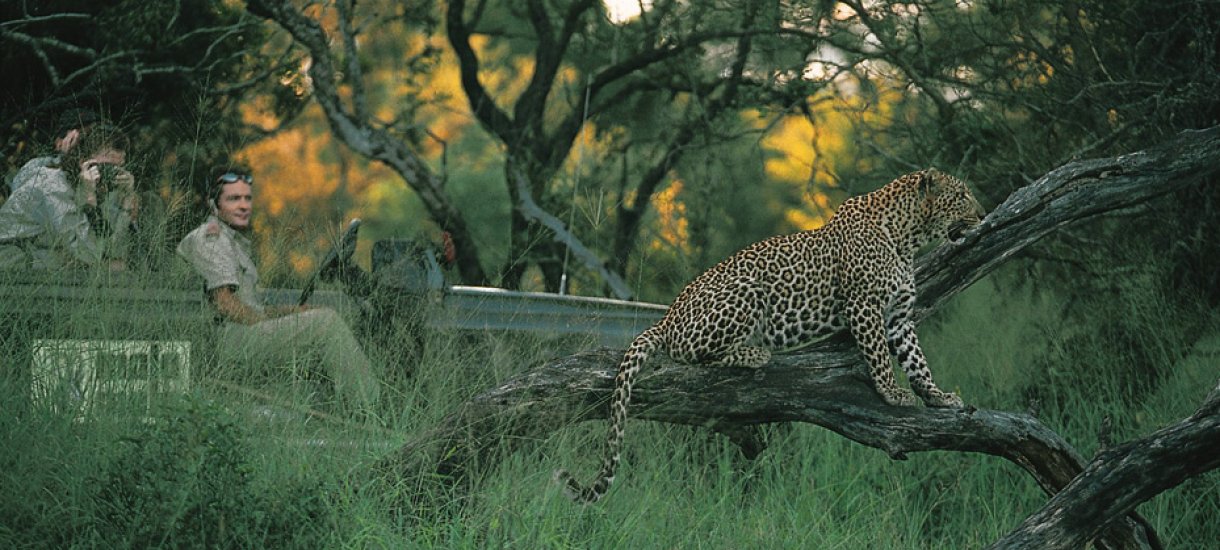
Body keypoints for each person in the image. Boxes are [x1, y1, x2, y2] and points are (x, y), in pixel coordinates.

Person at [176, 166, 380, 416]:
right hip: (231, 341)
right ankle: (370, 409)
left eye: (247, 198)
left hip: (241, 332)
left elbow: (248, 307)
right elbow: (225, 304)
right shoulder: (212, 239)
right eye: (233, 199)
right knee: (326, 324)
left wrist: (294, 312)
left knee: (322, 315)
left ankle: (334, 412)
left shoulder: (231, 241)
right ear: (214, 205)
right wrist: (268, 320)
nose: (243, 206)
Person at [0, 124, 139, 270]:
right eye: (105, 167)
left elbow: (114, 250)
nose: (110, 175)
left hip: (45, 251)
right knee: (101, 267)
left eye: (117, 168)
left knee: (115, 267)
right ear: (83, 162)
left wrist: (127, 200)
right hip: (13, 256)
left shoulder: (98, 187)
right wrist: (89, 201)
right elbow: (90, 254)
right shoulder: (54, 186)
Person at [9, 108, 100, 195]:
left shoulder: (101, 171)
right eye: (81, 141)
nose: (88, 147)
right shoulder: (40, 169)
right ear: (59, 143)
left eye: (95, 139)